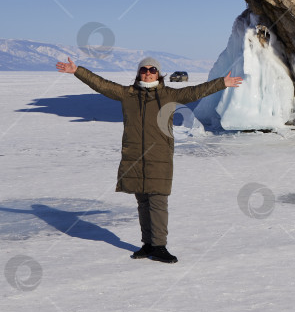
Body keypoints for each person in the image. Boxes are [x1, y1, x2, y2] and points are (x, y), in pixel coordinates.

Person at [56, 56, 243, 263]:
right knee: (143, 202)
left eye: (152, 69)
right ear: (138, 73)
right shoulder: (128, 94)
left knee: (158, 201)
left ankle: (160, 246)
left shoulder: (168, 94)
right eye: (144, 70)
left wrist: (221, 83)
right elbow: (102, 85)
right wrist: (77, 71)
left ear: (158, 73)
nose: (148, 73)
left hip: (159, 157)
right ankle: (147, 244)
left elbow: (194, 92)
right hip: (134, 157)